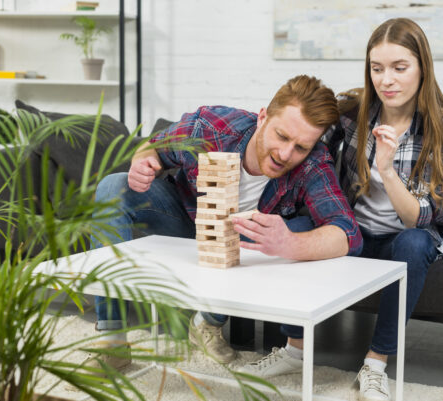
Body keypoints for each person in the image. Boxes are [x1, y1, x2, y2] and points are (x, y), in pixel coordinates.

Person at [238, 18, 443, 401]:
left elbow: (424, 218)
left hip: (402, 239)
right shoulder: (354, 111)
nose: (386, 80)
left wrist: (387, 169)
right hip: (355, 234)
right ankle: (295, 349)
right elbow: (306, 155)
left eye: (399, 67)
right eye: (377, 69)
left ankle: (375, 365)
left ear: (422, 67)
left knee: (414, 244)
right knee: (296, 226)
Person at [89, 75, 363, 371]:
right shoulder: (211, 126)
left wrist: (289, 243)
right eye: (282, 136)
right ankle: (113, 340)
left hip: (244, 246)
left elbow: (349, 234)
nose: (285, 154)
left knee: (302, 229)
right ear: (262, 117)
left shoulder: (313, 163)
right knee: (112, 187)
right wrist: (142, 163)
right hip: (184, 222)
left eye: (300, 147)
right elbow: (154, 147)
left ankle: (207, 322)